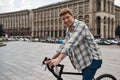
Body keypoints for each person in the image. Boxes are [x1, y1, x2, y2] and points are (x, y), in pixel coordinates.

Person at [45, 8, 102, 80]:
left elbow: (71, 44)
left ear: (72, 16)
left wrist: (58, 60)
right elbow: (63, 45)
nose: (65, 20)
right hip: (84, 61)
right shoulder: (68, 30)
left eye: (67, 17)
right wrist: (51, 58)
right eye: (63, 19)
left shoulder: (81, 26)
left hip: (93, 59)